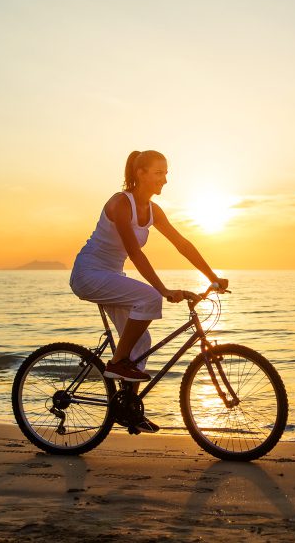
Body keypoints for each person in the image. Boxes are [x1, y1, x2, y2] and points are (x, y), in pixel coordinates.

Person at [69, 150, 228, 433]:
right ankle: (117, 362)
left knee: (142, 341)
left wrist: (212, 276)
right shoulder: (121, 203)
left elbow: (182, 244)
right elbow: (134, 253)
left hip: (112, 275)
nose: (165, 179)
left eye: (166, 173)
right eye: (159, 173)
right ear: (140, 174)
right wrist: (163, 290)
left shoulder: (153, 210)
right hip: (89, 274)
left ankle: (128, 409)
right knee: (150, 298)